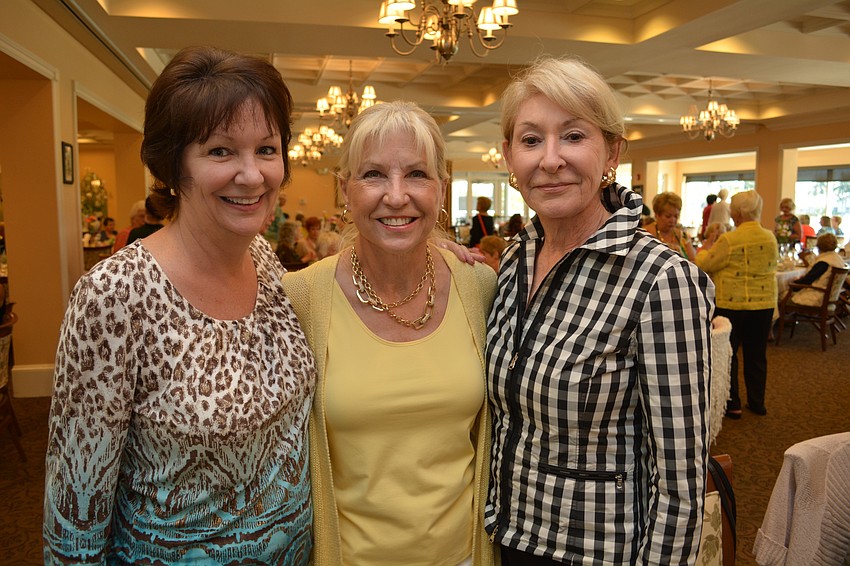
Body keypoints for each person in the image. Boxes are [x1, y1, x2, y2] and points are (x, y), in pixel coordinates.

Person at [43, 46, 316, 563]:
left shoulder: (266, 261)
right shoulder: (115, 295)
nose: (252, 174)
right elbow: (74, 507)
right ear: (174, 166)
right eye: (219, 151)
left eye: (266, 149)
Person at [486, 56, 714, 565]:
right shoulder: (515, 257)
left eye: (572, 136)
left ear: (612, 151)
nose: (550, 159)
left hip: (597, 551)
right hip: (501, 536)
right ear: (507, 155)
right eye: (530, 140)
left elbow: (680, 480)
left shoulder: (660, 279)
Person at [281, 100, 497, 565]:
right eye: (373, 175)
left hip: (465, 556)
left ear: (442, 188)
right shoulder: (300, 298)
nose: (396, 196)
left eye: (417, 174)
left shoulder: (480, 287)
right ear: (345, 190)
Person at [696, 190, 777, 419]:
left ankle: (734, 403)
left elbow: (706, 264)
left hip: (732, 303)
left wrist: (704, 249)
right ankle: (757, 401)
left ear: (737, 212)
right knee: (757, 354)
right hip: (763, 303)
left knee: (730, 353)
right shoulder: (769, 237)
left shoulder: (729, 239)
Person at [786, 233, 846, 306]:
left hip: (818, 298)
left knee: (783, 296)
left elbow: (807, 280)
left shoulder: (824, 262)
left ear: (819, 246)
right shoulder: (837, 259)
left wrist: (792, 284)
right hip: (830, 297)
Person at [644, 192, 697, 261]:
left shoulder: (683, 237)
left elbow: (693, 262)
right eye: (668, 216)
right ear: (657, 215)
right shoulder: (645, 234)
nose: (673, 220)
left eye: (676, 216)